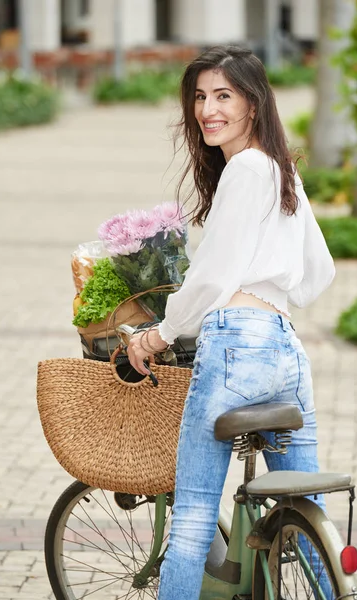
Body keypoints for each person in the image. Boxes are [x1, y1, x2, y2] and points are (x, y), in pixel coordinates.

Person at [127, 45, 335, 600]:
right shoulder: (280, 167)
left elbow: (211, 276)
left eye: (223, 95)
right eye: (200, 96)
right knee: (305, 508)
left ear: (253, 103)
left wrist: (161, 333)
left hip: (235, 347)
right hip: (286, 350)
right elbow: (320, 271)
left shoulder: (245, 167)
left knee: (194, 512)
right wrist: (272, 292)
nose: (207, 109)